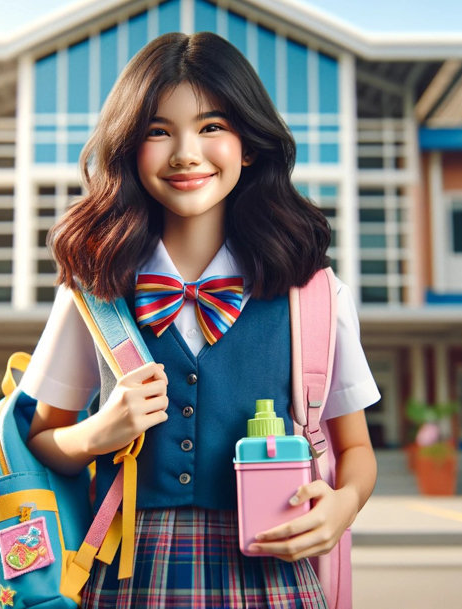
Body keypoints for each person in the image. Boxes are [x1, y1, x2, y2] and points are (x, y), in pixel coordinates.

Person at [21, 31, 380, 608]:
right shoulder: (95, 291)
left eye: (211, 127)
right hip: (127, 569)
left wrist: (344, 503)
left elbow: (355, 447)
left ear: (250, 145)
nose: (186, 152)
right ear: (128, 150)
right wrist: (97, 432)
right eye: (158, 131)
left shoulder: (314, 294)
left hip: (273, 568)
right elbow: (42, 438)